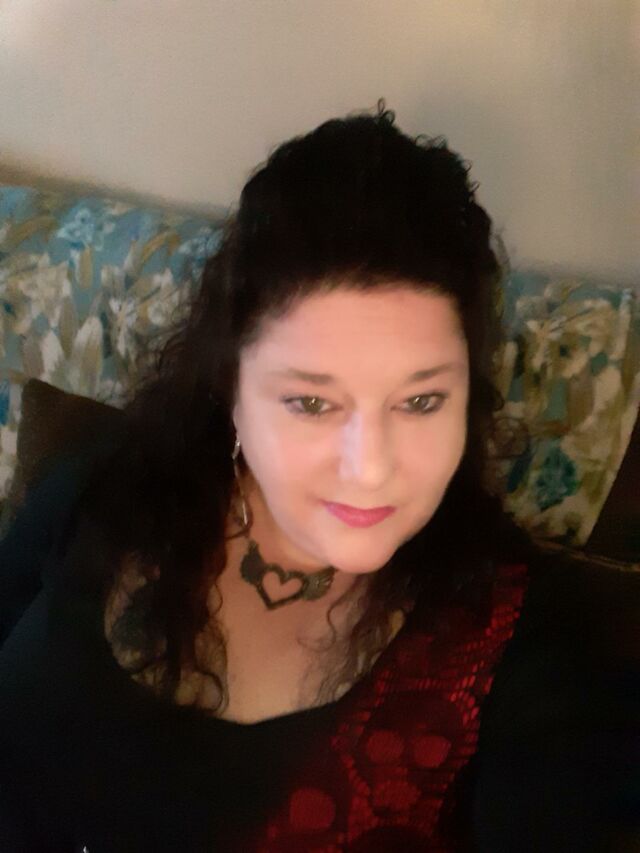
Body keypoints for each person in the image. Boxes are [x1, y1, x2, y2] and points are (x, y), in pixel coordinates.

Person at [0, 101, 638, 852]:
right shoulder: (107, 481)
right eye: (310, 402)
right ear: (232, 389)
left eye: (421, 401)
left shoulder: (529, 652)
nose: (370, 468)